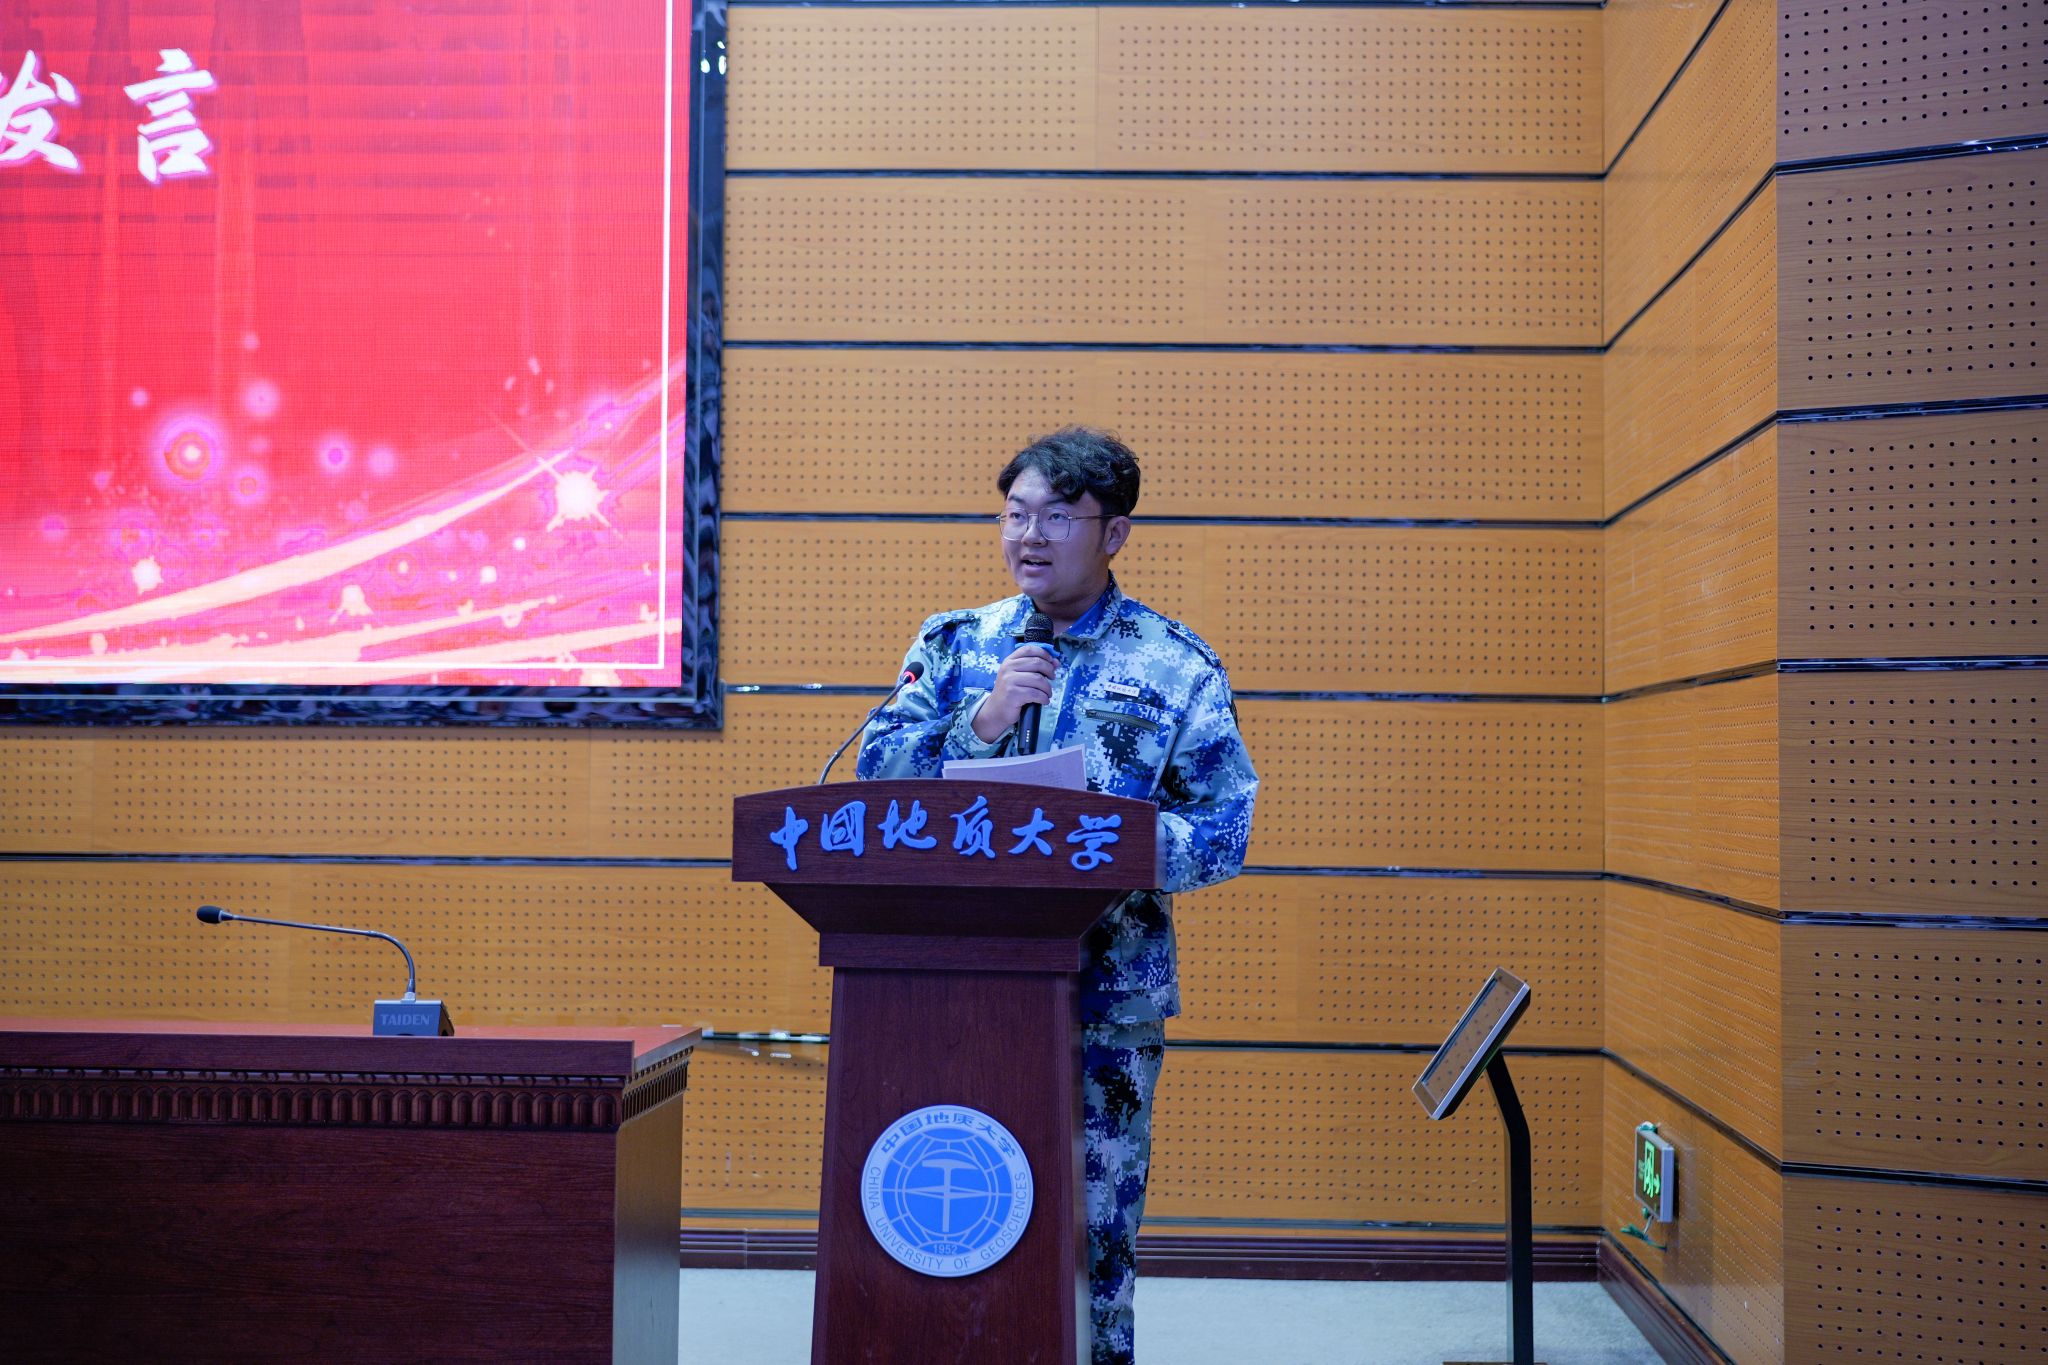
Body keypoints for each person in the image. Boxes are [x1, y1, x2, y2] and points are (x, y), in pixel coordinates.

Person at [857, 426, 1258, 1365]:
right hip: (945, 985)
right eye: (1015, 514)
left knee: (1093, 1232)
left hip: (1104, 1000)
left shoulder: (1176, 664)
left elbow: (1223, 830)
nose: (1030, 536)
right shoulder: (956, 643)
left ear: (1114, 533)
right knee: (950, 1210)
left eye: (1057, 518)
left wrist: (1105, 842)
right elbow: (875, 774)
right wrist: (983, 718)